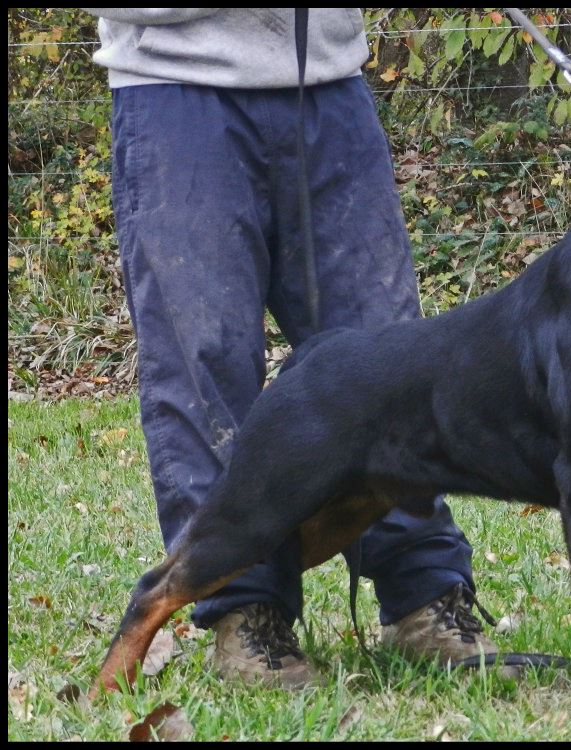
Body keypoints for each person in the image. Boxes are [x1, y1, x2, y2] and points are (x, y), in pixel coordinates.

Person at [84, 8, 506, 687]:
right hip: (174, 87)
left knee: (389, 351)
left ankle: (425, 596)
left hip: (329, 81)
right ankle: (246, 613)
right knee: (206, 361)